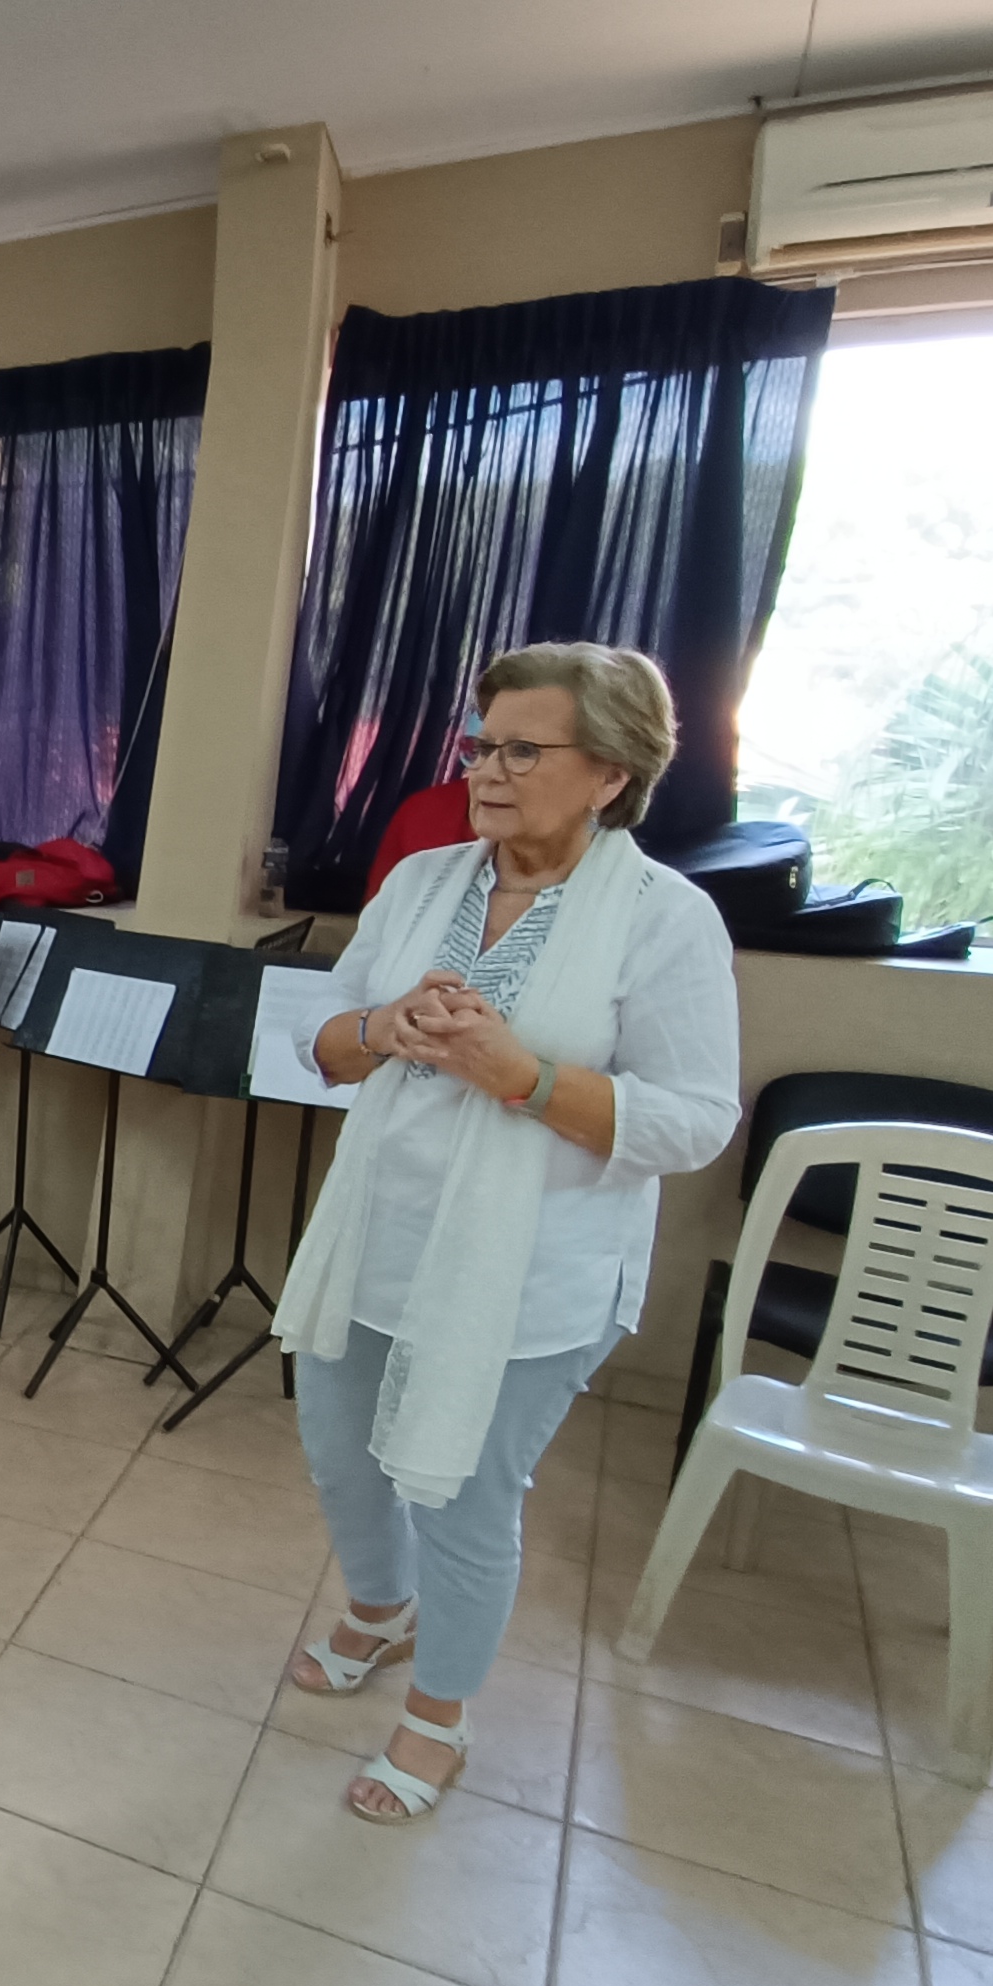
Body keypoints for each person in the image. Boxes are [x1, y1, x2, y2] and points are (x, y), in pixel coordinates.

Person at [280, 644, 738, 1824]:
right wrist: (382, 1026)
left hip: (530, 1272)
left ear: (610, 774)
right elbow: (318, 1035)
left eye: (522, 750)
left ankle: (438, 1716)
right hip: (377, 1234)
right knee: (340, 1449)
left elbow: (694, 1121)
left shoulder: (665, 919)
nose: (486, 770)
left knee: (462, 1494)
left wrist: (524, 1076)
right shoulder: (422, 880)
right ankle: (379, 1610)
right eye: (481, 745)